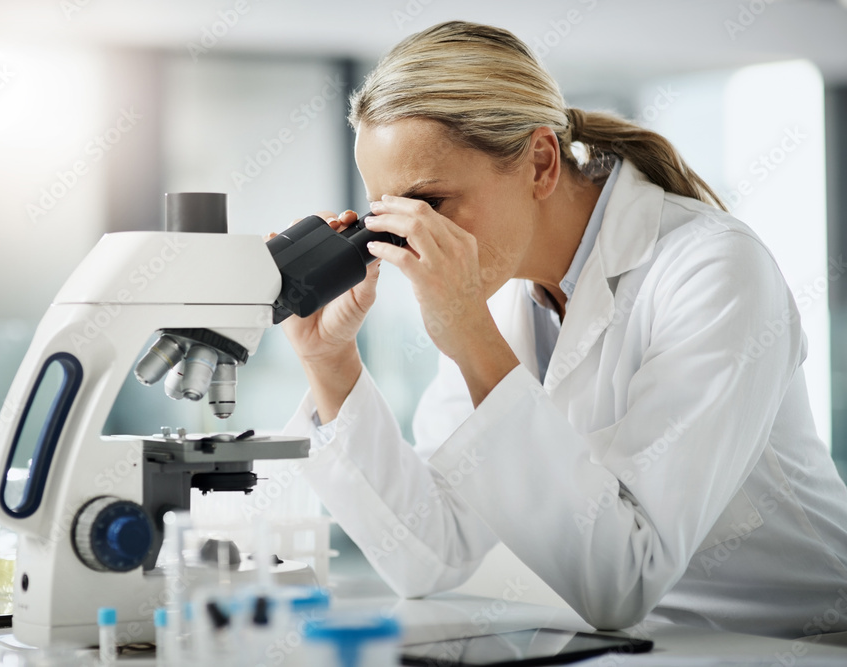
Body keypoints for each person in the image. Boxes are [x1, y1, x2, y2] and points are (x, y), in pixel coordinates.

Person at [280, 20, 847, 639]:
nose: (407, 239)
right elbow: (432, 552)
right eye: (386, 213)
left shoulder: (714, 268)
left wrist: (468, 331)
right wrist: (331, 360)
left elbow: (624, 579)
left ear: (541, 163)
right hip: (649, 646)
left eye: (430, 205)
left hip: (796, 641)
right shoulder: (495, 293)